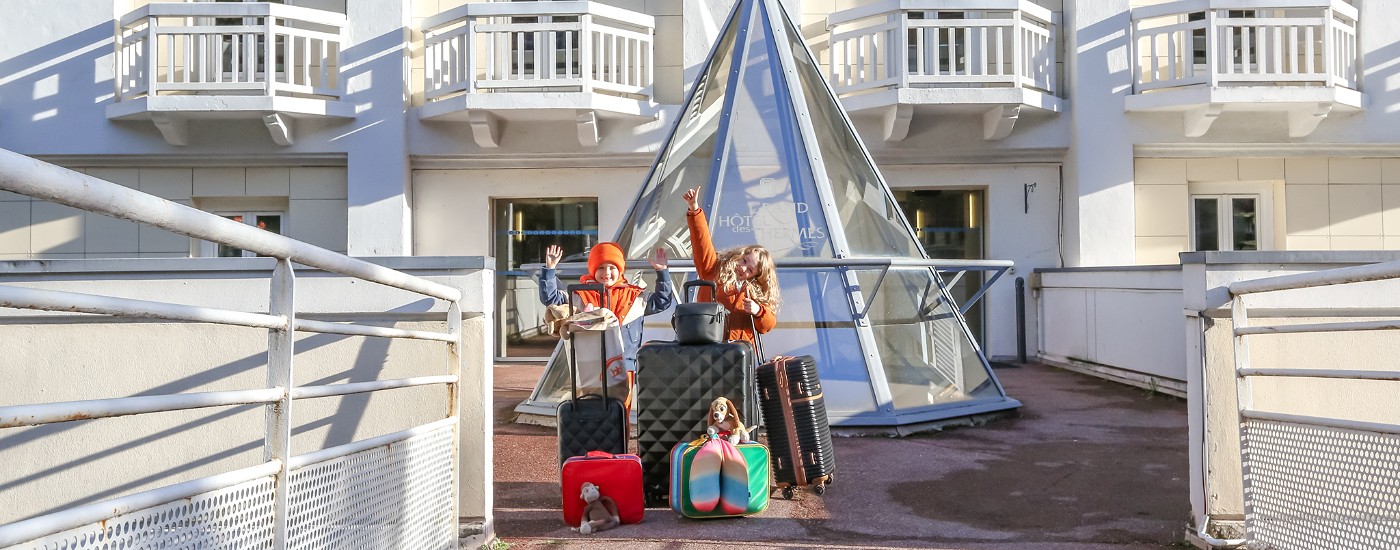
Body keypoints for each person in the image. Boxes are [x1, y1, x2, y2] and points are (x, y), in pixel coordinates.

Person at [539, 242, 675, 374]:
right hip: (591, 365)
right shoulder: (580, 294)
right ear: (592, 269)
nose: (607, 273)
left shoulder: (634, 295)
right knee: (592, 396)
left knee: (622, 397)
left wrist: (662, 271)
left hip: (626, 365)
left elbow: (662, 301)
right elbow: (550, 298)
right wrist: (549, 270)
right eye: (600, 268)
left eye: (612, 267)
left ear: (620, 270)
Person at [682, 186, 779, 348]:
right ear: (740, 255)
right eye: (745, 261)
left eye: (750, 270)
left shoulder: (756, 292)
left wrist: (758, 311)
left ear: (755, 276)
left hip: (738, 356)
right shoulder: (713, 269)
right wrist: (694, 209)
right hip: (707, 347)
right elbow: (701, 242)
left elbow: (767, 326)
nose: (743, 268)